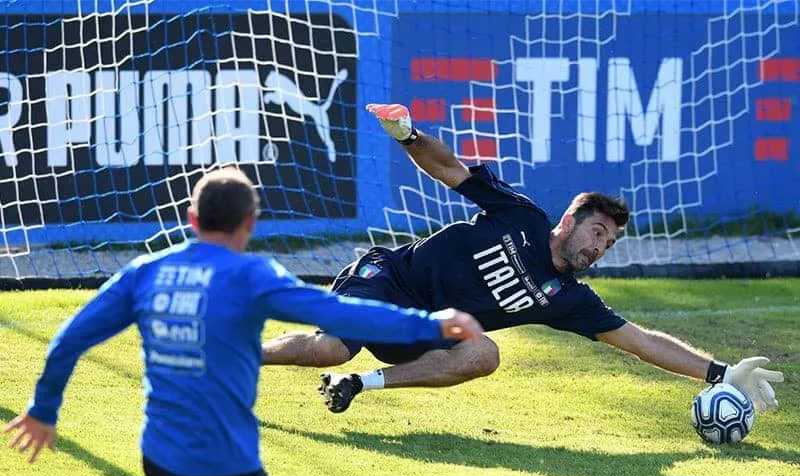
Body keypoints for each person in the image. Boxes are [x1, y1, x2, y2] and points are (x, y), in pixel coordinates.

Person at [261, 103, 785, 416]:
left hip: (426, 331)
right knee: (330, 349)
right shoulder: (521, 216)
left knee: (483, 355)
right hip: (389, 280)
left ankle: (359, 386)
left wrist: (720, 372)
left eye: (608, 244)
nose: (600, 247)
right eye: (597, 232)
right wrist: (407, 133)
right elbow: (449, 169)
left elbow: (641, 342)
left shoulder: (568, 299)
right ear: (567, 222)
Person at [3, 167, 485, 476]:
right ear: (250, 224)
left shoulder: (145, 272)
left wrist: (43, 411)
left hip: (157, 455)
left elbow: (69, 340)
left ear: (191, 220)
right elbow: (343, 315)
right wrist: (431, 323)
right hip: (222, 463)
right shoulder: (253, 277)